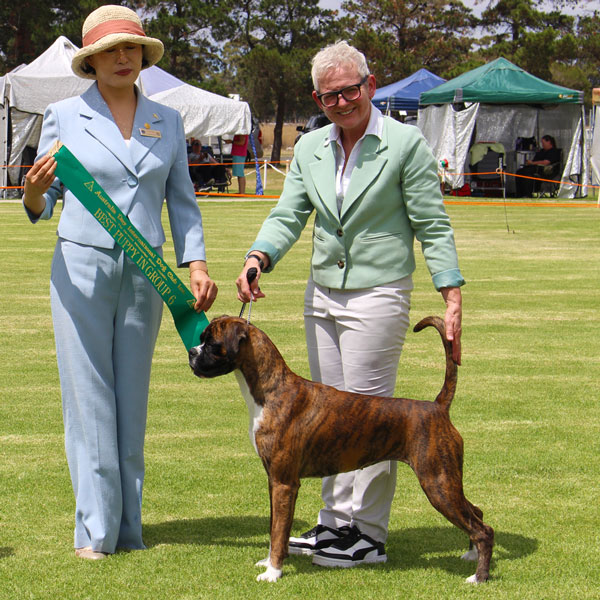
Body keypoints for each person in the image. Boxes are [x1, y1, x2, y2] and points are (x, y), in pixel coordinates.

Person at [235, 41, 464, 569]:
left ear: (371, 84)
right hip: (322, 296)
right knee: (324, 420)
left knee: (372, 415)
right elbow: (287, 214)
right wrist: (257, 256)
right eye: (329, 95)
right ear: (317, 98)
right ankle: (334, 525)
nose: (342, 102)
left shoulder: (405, 144)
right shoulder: (311, 147)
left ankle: (368, 533)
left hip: (379, 294)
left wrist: (450, 292)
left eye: (350, 90)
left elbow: (432, 224)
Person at [22, 5, 217, 560]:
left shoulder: (168, 120)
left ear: (143, 56)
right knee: (89, 400)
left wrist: (196, 266)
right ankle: (96, 532)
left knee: (132, 400)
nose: (123, 57)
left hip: (147, 276)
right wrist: (35, 193)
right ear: (91, 61)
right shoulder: (62, 115)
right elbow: (43, 201)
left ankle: (130, 530)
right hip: (81, 270)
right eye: (111, 50)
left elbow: (183, 201)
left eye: (132, 47)